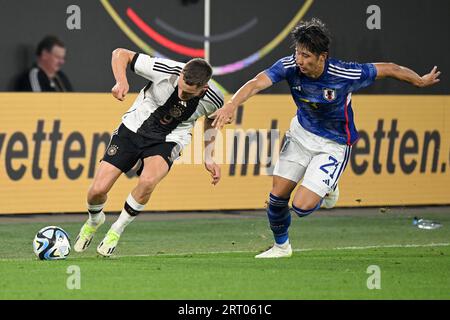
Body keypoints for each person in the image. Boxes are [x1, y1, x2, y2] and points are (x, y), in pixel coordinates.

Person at [211, 18, 441, 258]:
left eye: (307, 56)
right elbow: (256, 83)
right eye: (298, 53)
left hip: (334, 144)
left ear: (323, 56)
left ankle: (329, 187)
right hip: (300, 135)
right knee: (277, 198)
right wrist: (231, 105)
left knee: (301, 206)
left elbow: (390, 68)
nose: (300, 61)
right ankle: (282, 247)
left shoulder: (344, 73)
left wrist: (420, 81)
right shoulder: (289, 66)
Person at [74, 48, 224, 257]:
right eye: (181, 87)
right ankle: (94, 220)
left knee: (148, 181)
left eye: (189, 93)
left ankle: (116, 230)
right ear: (180, 75)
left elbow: (212, 120)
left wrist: (209, 156)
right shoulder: (165, 70)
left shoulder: (215, 98)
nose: (182, 95)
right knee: (97, 190)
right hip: (132, 129)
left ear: (203, 88)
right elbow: (119, 53)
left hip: (169, 139)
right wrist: (121, 81)